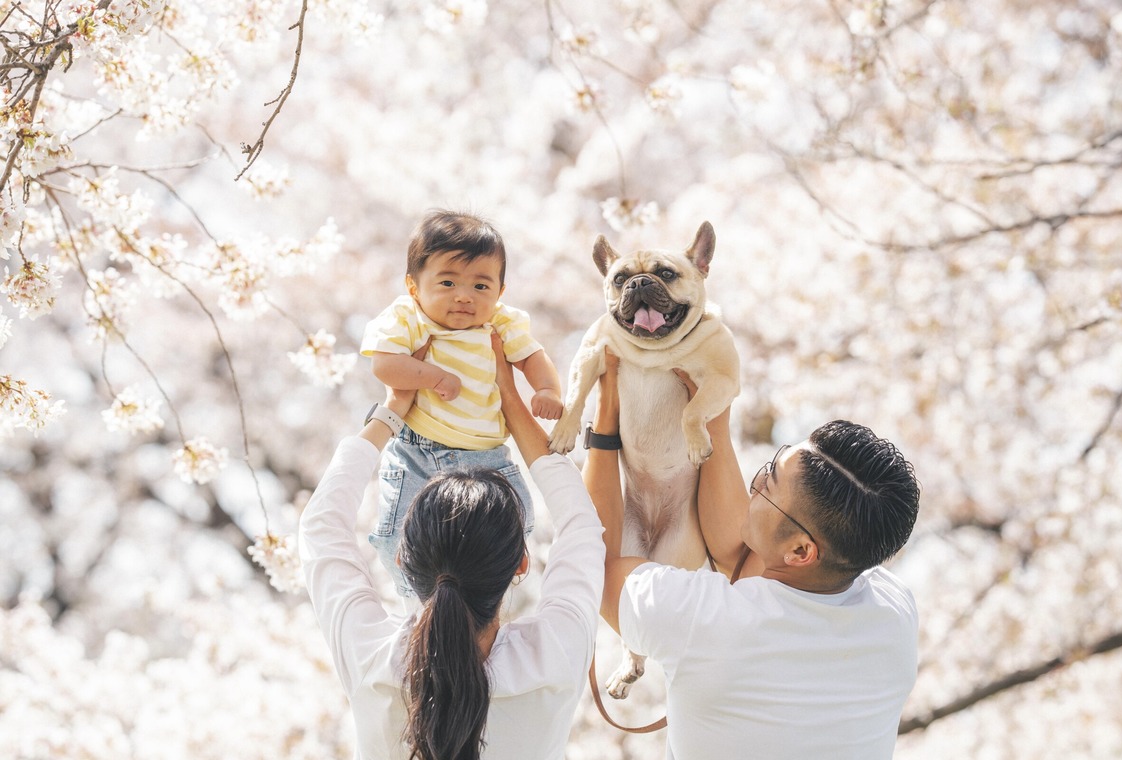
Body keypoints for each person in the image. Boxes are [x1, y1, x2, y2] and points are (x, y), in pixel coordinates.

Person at [584, 351, 921, 759]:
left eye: (769, 481)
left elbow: (596, 564)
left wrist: (605, 425)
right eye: (771, 462)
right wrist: (714, 428)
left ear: (800, 551)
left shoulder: (706, 621)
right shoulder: (893, 611)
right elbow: (738, 548)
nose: (755, 482)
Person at [298, 338, 604, 760]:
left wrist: (392, 410)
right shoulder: (553, 653)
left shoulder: (373, 655)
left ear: (402, 558)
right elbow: (582, 527)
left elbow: (320, 527)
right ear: (522, 563)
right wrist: (509, 399)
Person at [359, 209, 563, 596]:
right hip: (419, 453)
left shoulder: (500, 323)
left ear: (500, 292)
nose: (464, 296)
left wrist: (547, 390)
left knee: (520, 526)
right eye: (448, 282)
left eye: (481, 286)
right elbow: (384, 365)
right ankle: (417, 601)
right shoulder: (409, 317)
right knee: (394, 536)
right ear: (415, 286)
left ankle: (482, 598)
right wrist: (432, 378)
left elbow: (532, 356)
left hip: (489, 454)